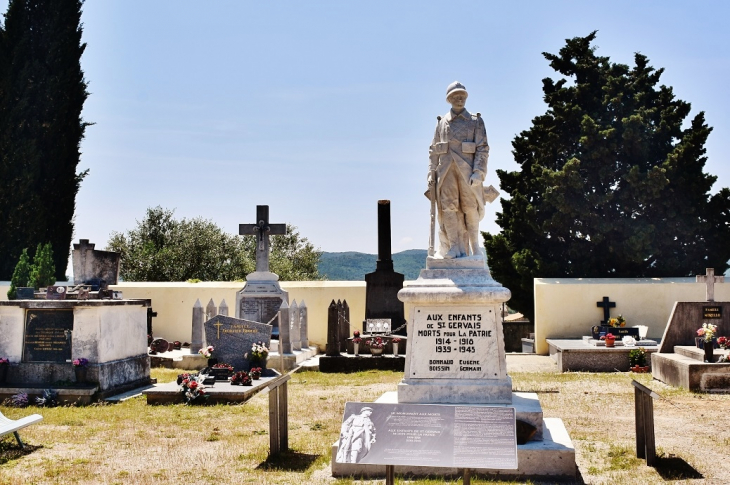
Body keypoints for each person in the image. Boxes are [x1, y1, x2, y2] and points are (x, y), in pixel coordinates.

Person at [428, 81, 489, 259]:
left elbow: (483, 148)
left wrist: (478, 172)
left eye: (462, 95)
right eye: (455, 96)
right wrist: (431, 172)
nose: (460, 99)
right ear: (449, 99)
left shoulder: (475, 121)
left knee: (470, 207)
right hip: (446, 172)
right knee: (448, 208)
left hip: (468, 171)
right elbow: (433, 150)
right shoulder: (441, 123)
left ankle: (475, 248)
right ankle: (453, 246)